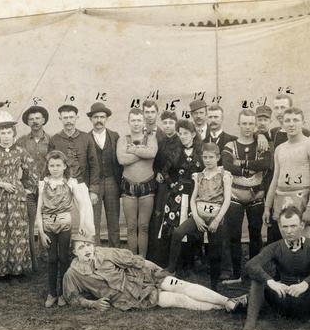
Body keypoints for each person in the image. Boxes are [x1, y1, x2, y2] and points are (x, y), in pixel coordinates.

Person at [235, 206, 310, 330]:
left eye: (293, 226)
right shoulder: (275, 247)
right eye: (285, 227)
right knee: (257, 276)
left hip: (307, 302)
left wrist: (307, 283)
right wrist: (270, 282)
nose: (289, 231)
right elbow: (251, 265)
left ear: (302, 225)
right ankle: (249, 329)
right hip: (282, 300)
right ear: (280, 226)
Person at [63, 235, 247, 312]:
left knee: (181, 285)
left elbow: (137, 261)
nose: (86, 249)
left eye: (88, 244)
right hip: (130, 295)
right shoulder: (73, 273)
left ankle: (227, 301)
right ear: (74, 252)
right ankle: (224, 307)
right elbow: (72, 297)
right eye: (81, 247)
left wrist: (160, 270)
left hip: (142, 275)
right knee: (176, 300)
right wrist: (93, 304)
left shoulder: (106, 252)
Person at [162, 143, 232, 290]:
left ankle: (214, 284)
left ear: (218, 157)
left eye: (211, 157)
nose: (208, 160)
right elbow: (193, 199)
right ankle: (171, 269)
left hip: (215, 216)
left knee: (215, 247)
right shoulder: (199, 175)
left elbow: (227, 200)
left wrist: (217, 220)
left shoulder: (224, 175)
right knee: (178, 232)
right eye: (205, 157)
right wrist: (197, 217)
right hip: (199, 214)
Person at [0, 111, 38, 279]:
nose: (6, 136)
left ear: (14, 134)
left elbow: (33, 170)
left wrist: (28, 189)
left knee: (17, 232)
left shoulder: (20, 152)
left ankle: (17, 270)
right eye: (2, 133)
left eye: (8, 133)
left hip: (16, 198)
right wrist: (1, 184)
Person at [36, 151, 95, 307]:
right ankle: (51, 293)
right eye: (52, 165)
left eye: (58, 165)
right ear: (47, 166)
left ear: (64, 166)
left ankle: (63, 292)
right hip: (48, 224)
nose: (55, 169)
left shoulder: (70, 182)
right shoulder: (43, 183)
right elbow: (39, 209)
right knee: (52, 258)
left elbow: (81, 204)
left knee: (63, 257)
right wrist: (41, 232)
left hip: (65, 224)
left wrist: (82, 223)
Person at [222, 110, 273, 282]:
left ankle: (254, 272)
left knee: (255, 234)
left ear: (255, 125)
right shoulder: (230, 145)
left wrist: (242, 164)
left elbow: (266, 163)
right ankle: (237, 273)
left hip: (256, 194)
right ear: (238, 124)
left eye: (251, 123)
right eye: (244, 123)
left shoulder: (262, 144)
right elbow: (228, 165)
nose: (248, 127)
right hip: (235, 194)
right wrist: (252, 167)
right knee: (234, 235)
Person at [263, 107, 310, 240]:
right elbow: (275, 179)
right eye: (287, 120)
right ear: (283, 124)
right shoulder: (279, 149)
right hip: (280, 199)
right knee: (286, 242)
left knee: (301, 244)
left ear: (303, 122)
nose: (291, 124)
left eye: (296, 120)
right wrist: (267, 207)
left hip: (302, 199)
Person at [159, 119, 204, 271]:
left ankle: (190, 263)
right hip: (177, 196)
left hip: (195, 195)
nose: (183, 136)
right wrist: (173, 184)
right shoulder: (175, 152)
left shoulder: (201, 152)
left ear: (193, 134)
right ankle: (174, 264)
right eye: (180, 133)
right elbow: (164, 171)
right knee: (175, 228)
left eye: (186, 133)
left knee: (191, 230)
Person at [116, 109, 158, 255]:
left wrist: (132, 150)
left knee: (144, 226)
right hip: (129, 186)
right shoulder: (122, 139)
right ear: (128, 122)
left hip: (147, 186)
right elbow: (122, 160)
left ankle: (143, 261)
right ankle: (133, 261)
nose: (136, 123)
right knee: (132, 226)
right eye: (133, 120)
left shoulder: (151, 138)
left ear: (143, 122)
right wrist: (141, 152)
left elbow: (152, 153)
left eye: (139, 120)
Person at [17, 105, 51, 271]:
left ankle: (46, 254)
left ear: (43, 120)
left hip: (47, 188)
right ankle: (31, 258)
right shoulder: (21, 141)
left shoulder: (52, 140)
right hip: (28, 189)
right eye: (31, 119)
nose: (35, 121)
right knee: (29, 223)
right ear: (27, 122)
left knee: (46, 221)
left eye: (38, 118)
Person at [48, 104, 100, 207]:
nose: (68, 121)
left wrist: (93, 190)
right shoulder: (55, 139)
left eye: (71, 117)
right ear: (60, 119)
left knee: (85, 218)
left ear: (76, 118)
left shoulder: (86, 138)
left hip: (82, 185)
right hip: (61, 186)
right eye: (65, 118)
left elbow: (94, 165)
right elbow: (49, 166)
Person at [86, 102, 122, 247]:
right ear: (91, 119)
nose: (99, 120)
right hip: (94, 184)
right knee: (94, 222)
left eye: (102, 117)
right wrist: (89, 187)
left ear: (106, 119)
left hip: (112, 181)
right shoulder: (86, 138)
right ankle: (95, 255)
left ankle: (115, 254)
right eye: (96, 117)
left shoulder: (114, 136)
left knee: (114, 222)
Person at [149, 110, 182, 265]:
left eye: (171, 123)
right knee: (159, 217)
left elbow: (177, 163)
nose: (168, 126)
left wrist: (166, 175)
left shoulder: (180, 140)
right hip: (162, 186)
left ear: (175, 124)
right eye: (165, 123)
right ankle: (158, 259)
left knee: (174, 219)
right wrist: (157, 173)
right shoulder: (159, 141)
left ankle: (176, 260)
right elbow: (155, 163)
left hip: (176, 185)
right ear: (161, 124)